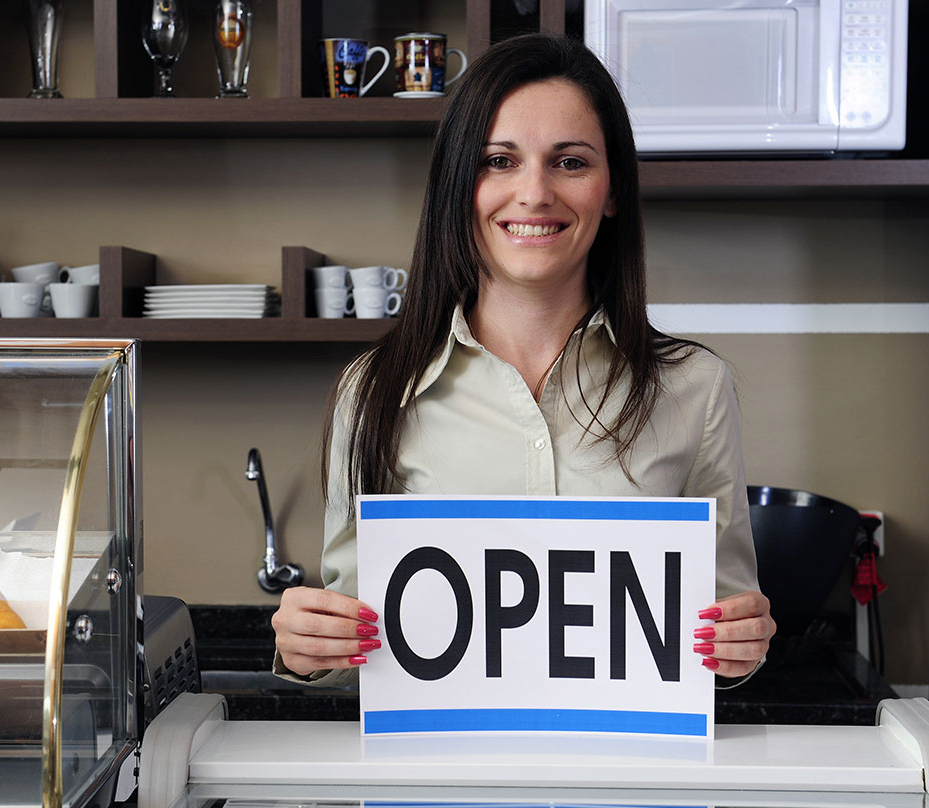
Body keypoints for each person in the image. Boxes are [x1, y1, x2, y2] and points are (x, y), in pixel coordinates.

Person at [272, 33, 775, 689]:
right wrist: (311, 648)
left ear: (612, 190)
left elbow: (718, 638)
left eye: (570, 162)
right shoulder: (372, 392)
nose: (534, 193)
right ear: (461, 186)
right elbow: (356, 655)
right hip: (440, 790)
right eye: (500, 161)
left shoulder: (696, 389)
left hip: (624, 789)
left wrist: (741, 645)